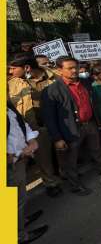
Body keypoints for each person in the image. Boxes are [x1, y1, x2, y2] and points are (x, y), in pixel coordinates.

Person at [41, 56, 101, 196]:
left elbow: (94, 103)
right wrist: (57, 138)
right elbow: (49, 118)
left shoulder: (86, 83)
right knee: (70, 160)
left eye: (75, 67)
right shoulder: (51, 90)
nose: (74, 71)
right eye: (69, 68)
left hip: (91, 124)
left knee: (96, 149)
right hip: (70, 130)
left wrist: (99, 122)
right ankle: (75, 185)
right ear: (59, 70)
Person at [8, 56, 62, 197]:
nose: (10, 71)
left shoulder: (55, 76)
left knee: (60, 152)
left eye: (14, 68)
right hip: (33, 129)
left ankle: (65, 174)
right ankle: (50, 183)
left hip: (56, 123)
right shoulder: (11, 84)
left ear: (26, 68)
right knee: (43, 158)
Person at [7, 100, 49, 244]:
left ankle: (20, 221)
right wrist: (20, 153)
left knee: (20, 199)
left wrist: (31, 141)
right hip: (10, 165)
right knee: (9, 203)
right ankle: (17, 236)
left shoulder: (7, 107)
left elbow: (21, 125)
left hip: (19, 161)